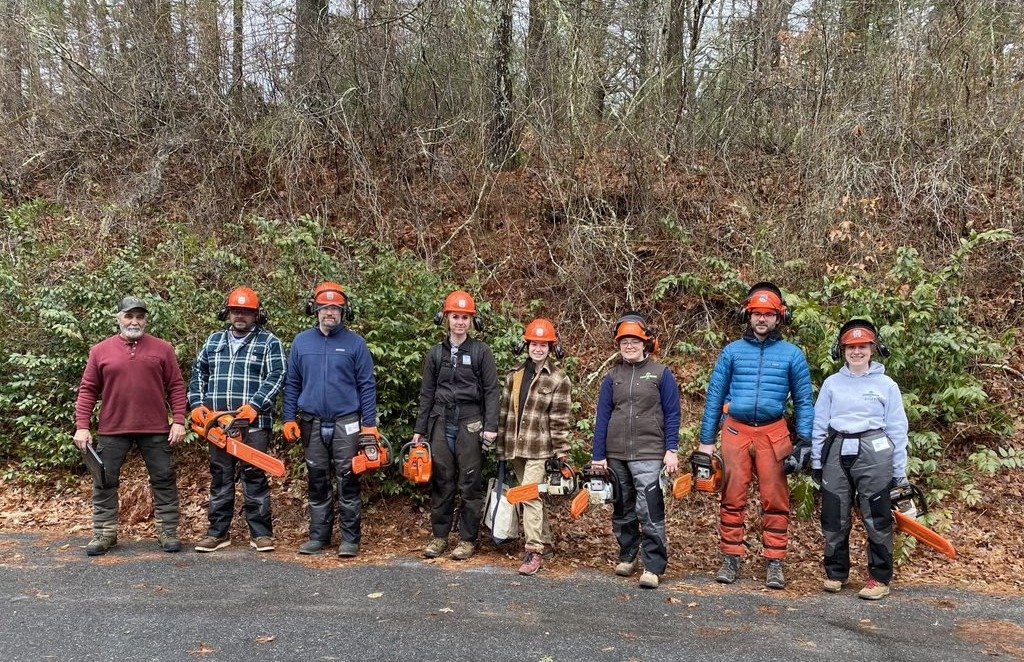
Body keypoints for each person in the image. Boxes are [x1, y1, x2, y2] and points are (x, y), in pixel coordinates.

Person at [697, 282, 813, 589]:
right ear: (748, 315)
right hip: (736, 429)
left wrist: (804, 441)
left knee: (775, 498)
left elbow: (803, 401)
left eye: (768, 314)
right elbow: (714, 397)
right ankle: (730, 557)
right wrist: (706, 442)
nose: (762, 319)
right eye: (756, 314)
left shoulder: (792, 355)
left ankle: (774, 561)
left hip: (774, 432)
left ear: (779, 317)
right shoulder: (732, 352)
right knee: (732, 496)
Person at [73, 296, 187, 556]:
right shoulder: (100, 350)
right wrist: (82, 426)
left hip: (156, 427)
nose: (134, 321)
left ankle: (167, 530)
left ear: (145, 320)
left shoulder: (163, 348)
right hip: (112, 428)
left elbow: (176, 386)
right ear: (118, 318)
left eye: (139, 316)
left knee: (164, 479)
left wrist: (178, 421)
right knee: (104, 481)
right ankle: (105, 533)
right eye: (129, 316)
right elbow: (88, 389)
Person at [812, 319, 909, 600]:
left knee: (876, 514)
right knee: (834, 513)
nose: (857, 352)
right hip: (837, 446)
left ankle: (879, 578)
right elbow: (820, 425)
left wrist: (898, 471)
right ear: (842, 350)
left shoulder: (886, 385)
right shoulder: (832, 383)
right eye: (851, 347)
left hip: (874, 449)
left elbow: (897, 429)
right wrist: (817, 461)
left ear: (873, 348)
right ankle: (835, 572)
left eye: (862, 346)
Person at [282, 282, 379, 557]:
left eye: (335, 308)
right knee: (317, 479)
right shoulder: (302, 342)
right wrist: (289, 417)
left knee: (348, 478)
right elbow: (292, 383)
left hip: (346, 421)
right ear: (315, 309)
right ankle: (319, 536)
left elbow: (367, 385)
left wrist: (368, 423)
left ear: (343, 312)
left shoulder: (355, 344)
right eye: (325, 307)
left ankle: (350, 539)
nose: (329, 313)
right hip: (311, 421)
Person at [188, 287, 286, 553]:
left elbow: (277, 375)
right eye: (235, 311)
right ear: (227, 313)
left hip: (252, 424)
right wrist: (197, 404)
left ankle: (261, 533)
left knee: (254, 475)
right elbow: (198, 373)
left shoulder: (269, 342)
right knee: (221, 477)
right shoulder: (213, 341)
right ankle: (218, 532)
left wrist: (255, 406)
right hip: (217, 424)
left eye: (246, 312)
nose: (240, 316)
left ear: (256, 315)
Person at [591, 312, 680, 589]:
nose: (629, 346)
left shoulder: (661, 374)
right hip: (616, 452)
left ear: (645, 343)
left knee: (649, 508)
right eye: (624, 342)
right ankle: (627, 554)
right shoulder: (612, 377)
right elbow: (602, 416)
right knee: (623, 506)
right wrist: (598, 455)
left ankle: (653, 565)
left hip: (650, 452)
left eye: (634, 341)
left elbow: (672, 413)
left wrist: (671, 449)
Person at [413, 290, 499, 561]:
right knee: (442, 481)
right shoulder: (436, 354)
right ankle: (439, 537)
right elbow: (426, 393)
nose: (460, 322)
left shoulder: (480, 352)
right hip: (440, 421)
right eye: (455, 317)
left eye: (465, 317)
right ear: (446, 318)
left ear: (472, 321)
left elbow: (492, 391)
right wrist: (420, 429)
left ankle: (467, 539)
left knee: (470, 483)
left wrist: (491, 425)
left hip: (471, 423)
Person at [496, 318, 572, 576]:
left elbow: (560, 418)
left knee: (527, 495)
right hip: (515, 446)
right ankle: (546, 541)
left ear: (551, 348)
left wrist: (562, 451)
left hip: (540, 448)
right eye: (534, 344)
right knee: (528, 496)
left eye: (544, 345)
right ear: (526, 345)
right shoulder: (515, 376)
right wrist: (500, 444)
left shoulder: (559, 379)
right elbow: (505, 412)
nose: (538, 349)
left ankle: (534, 550)